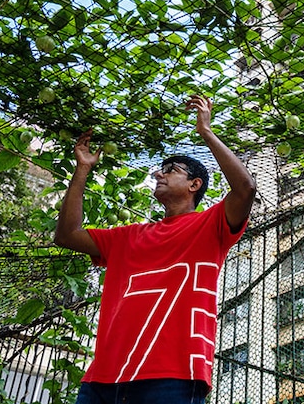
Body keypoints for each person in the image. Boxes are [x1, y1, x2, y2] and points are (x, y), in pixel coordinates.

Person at [54, 95, 256, 404]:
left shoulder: (211, 225)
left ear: (194, 185)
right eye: (159, 170)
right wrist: (82, 169)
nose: (159, 174)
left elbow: (245, 189)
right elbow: (67, 235)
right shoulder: (127, 237)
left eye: (171, 169)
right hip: (103, 380)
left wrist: (206, 132)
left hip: (172, 376)